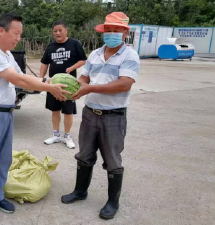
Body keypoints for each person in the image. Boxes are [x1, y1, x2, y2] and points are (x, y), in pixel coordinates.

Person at [0, 13, 70, 225]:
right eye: (16, 33)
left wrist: (49, 80)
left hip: (6, 114)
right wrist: (49, 88)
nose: (18, 38)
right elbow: (17, 78)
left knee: (3, 160)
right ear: (2, 30)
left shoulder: (7, 54)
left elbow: (23, 79)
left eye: (20, 34)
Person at [61, 12, 140, 220]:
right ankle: (80, 191)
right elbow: (85, 77)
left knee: (113, 160)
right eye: (108, 30)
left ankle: (113, 201)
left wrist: (90, 88)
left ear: (125, 33)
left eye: (116, 30)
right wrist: (68, 86)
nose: (111, 33)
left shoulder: (130, 56)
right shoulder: (95, 54)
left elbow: (124, 83)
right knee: (84, 154)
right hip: (90, 113)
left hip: (113, 116)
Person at [40, 21, 87, 149]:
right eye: (55, 31)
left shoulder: (74, 43)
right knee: (54, 110)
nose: (58, 33)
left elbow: (83, 60)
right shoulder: (50, 46)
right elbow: (44, 63)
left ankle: (67, 136)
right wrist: (40, 79)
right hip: (52, 84)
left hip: (69, 85)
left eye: (60, 30)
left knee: (68, 111)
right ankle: (55, 135)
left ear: (66, 30)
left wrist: (72, 67)